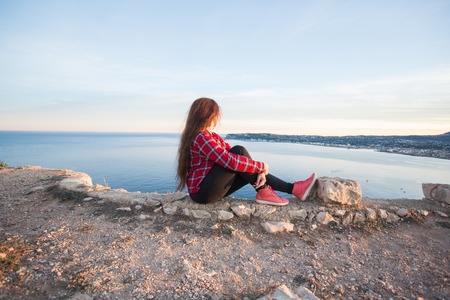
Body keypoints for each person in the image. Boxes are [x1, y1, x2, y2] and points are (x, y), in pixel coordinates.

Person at [176, 97, 317, 206]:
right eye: (215, 116)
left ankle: (290, 189)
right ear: (208, 117)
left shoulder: (210, 137)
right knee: (239, 151)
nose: (216, 120)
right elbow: (229, 159)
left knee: (241, 159)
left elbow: (234, 158)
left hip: (207, 190)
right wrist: (261, 167)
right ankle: (279, 190)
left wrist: (258, 171)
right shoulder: (201, 137)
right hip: (203, 193)